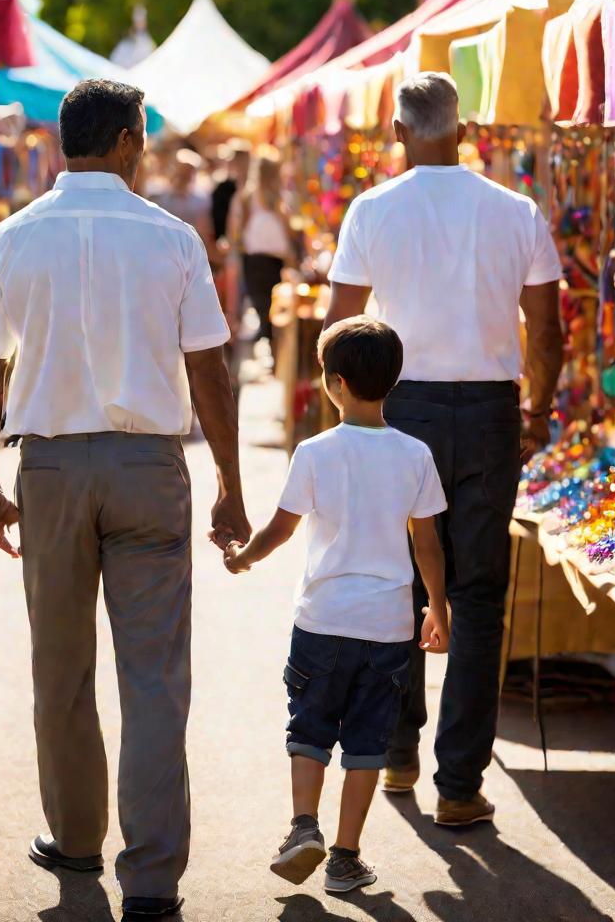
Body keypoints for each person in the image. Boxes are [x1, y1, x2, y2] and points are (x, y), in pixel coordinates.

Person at [0, 79, 249, 922]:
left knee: (62, 668)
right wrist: (231, 481)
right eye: (144, 140)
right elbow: (210, 369)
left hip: (48, 471)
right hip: (149, 470)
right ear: (126, 142)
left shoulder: (14, 238)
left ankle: (78, 839)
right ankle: (153, 876)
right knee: (155, 677)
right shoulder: (171, 239)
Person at [324, 72, 563, 826]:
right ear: (463, 132)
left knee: (400, 579)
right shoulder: (515, 210)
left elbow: (339, 328)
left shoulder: (371, 210)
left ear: (397, 132)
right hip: (490, 410)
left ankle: (397, 754)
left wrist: (341, 423)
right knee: (478, 594)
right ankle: (458, 785)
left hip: (402, 406)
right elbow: (548, 331)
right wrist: (539, 406)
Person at [224, 316, 448, 894]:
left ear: (336, 383)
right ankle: (346, 856)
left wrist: (244, 557)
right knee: (368, 743)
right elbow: (427, 543)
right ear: (390, 384)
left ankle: (303, 827)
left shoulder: (316, 451)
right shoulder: (416, 454)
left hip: (322, 619)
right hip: (388, 626)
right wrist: (437, 609)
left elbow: (281, 527)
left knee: (311, 727)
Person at [229, 148, 293, 343]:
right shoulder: (252, 197)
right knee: (267, 306)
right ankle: (269, 341)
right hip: (264, 259)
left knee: (266, 305)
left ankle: (268, 340)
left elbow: (236, 229)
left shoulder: (276, 198)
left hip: (263, 259)